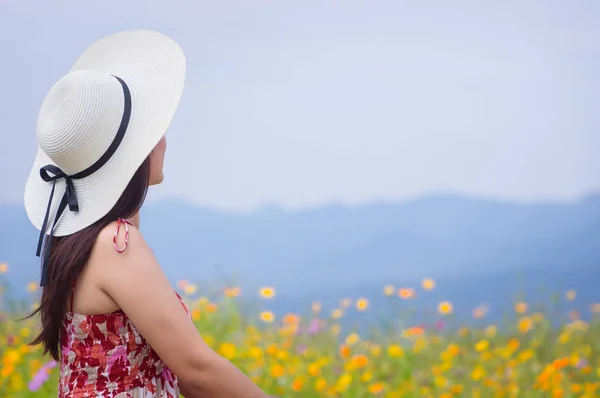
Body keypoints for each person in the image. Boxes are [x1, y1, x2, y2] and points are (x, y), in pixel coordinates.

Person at [24, 29, 268, 398]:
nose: (164, 140)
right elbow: (197, 371)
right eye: (154, 132)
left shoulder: (80, 239)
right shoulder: (116, 245)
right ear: (133, 156)